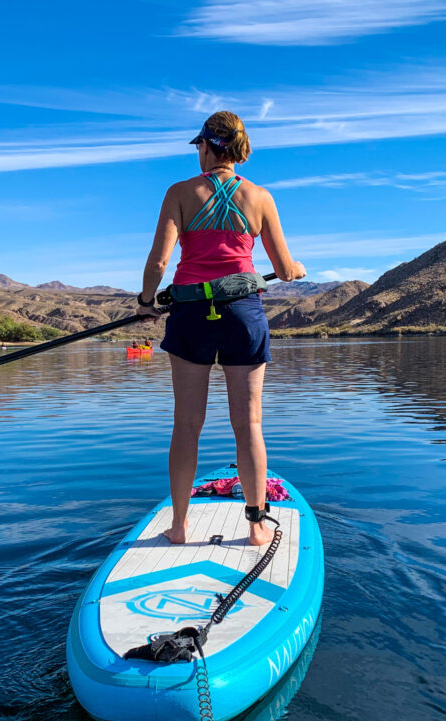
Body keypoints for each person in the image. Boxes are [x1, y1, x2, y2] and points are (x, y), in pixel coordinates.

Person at [136, 110, 305, 546]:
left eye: (199, 146)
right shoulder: (261, 198)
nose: (198, 153)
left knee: (186, 424)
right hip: (242, 315)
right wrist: (295, 269)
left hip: (191, 316)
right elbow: (284, 268)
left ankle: (178, 526)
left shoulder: (178, 193)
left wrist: (144, 303)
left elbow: (158, 263)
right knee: (248, 423)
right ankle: (255, 525)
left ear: (209, 147)